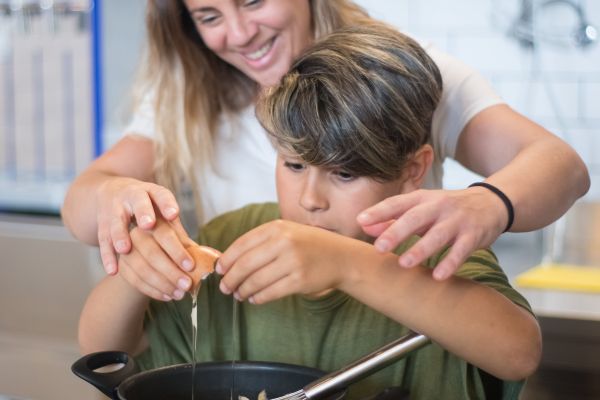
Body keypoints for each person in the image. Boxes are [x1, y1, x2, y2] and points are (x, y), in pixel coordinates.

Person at [78, 25, 541, 399]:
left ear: (413, 169)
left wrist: (347, 265)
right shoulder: (232, 235)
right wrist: (136, 267)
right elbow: (103, 348)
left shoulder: (436, 248)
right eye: (294, 165)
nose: (310, 198)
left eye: (344, 174)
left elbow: (518, 351)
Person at [61, 0, 589, 300]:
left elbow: (562, 167)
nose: (240, 34)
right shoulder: (188, 95)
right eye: (209, 16)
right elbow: (84, 202)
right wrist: (115, 200)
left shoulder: (402, 74)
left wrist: (489, 202)